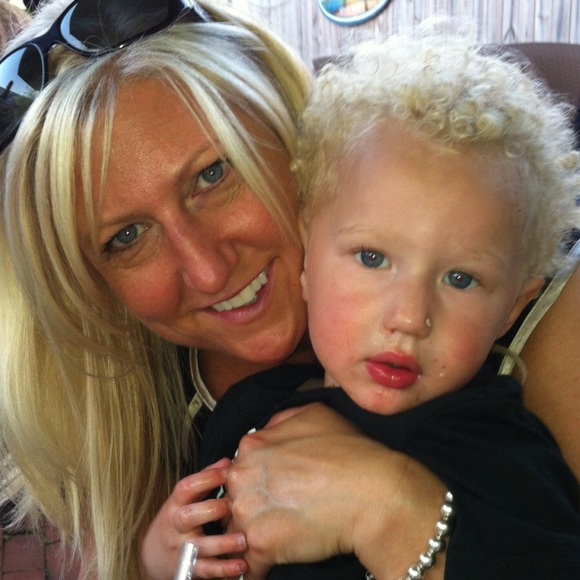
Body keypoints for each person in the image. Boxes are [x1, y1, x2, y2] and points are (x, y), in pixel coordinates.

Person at [0, 1, 578, 579]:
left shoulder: (505, 414)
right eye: (126, 236)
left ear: (287, 137)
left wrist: (387, 512)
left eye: (212, 174)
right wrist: (162, 563)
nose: (207, 270)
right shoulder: (206, 413)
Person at [198, 26, 580, 579]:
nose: (409, 317)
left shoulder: (500, 453)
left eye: (461, 279)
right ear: (306, 256)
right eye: (372, 258)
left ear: (513, 309)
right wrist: (170, 555)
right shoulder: (246, 410)